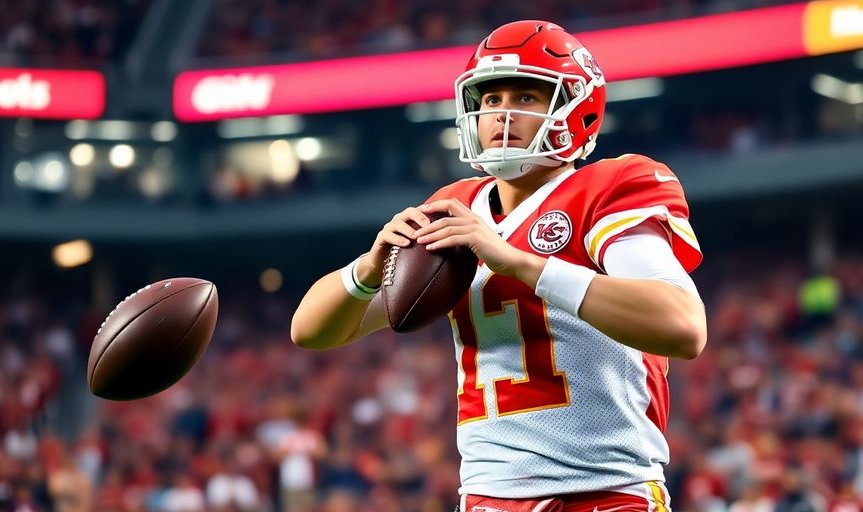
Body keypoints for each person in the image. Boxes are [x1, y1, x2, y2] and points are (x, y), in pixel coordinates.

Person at [292, 20, 707, 512]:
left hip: (606, 492)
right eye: (490, 99)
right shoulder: (452, 207)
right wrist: (368, 268)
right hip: (487, 498)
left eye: (526, 97)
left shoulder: (611, 186)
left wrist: (520, 263)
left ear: (577, 109)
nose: (501, 114)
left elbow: (683, 328)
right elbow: (310, 331)